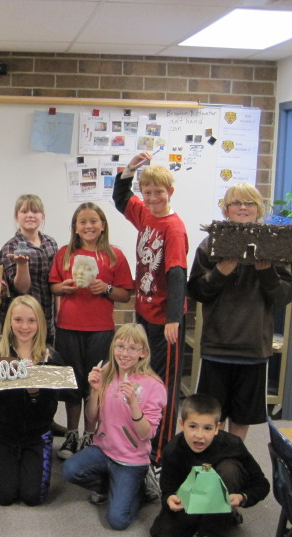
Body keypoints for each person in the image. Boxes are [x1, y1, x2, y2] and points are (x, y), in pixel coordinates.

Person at [187, 183, 292, 441]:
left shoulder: (273, 244)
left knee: (243, 414)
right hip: (218, 345)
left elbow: (284, 295)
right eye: (236, 203)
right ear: (226, 209)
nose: (243, 208)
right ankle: (213, 458)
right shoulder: (211, 243)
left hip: (253, 347)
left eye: (249, 203)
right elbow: (197, 291)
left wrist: (266, 271)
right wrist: (221, 271)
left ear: (258, 208)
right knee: (211, 414)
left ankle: (234, 455)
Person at [113, 151, 189, 463]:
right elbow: (120, 198)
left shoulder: (173, 227)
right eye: (148, 192)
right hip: (144, 312)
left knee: (163, 384)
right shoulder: (145, 213)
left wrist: (173, 319)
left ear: (170, 192)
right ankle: (143, 439)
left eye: (159, 192)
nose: (153, 197)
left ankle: (161, 453)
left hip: (165, 320)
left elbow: (177, 273)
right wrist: (131, 168)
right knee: (144, 379)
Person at [48, 202, 133, 459]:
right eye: (82, 222)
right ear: (75, 227)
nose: (88, 226)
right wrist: (64, 287)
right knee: (71, 384)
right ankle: (72, 433)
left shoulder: (115, 256)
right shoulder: (64, 254)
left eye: (93, 221)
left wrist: (106, 289)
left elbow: (125, 294)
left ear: (103, 225)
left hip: (100, 330)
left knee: (94, 384)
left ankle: (90, 434)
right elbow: (53, 286)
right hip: (68, 328)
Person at [62, 323, 166, 530]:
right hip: (104, 450)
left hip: (131, 459)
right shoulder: (107, 373)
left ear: (143, 353)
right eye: (120, 346)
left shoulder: (154, 386)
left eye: (132, 348)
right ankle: (113, 486)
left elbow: (147, 434)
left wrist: (133, 404)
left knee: (118, 521)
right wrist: (95, 391)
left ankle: (139, 487)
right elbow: (91, 417)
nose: (124, 353)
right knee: (69, 470)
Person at [149, 393, 270, 537]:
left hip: (223, 482)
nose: (199, 435)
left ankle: (215, 530)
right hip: (193, 495)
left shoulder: (232, 444)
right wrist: (170, 499)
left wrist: (242, 497)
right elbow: (167, 490)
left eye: (207, 428)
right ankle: (226, 517)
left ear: (217, 428)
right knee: (166, 534)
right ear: (182, 425)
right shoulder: (172, 450)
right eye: (193, 426)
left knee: (230, 469)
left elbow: (261, 484)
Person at [0, 295, 62, 506]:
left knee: (32, 496)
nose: (24, 327)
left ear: (40, 323)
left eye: (31, 320)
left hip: (37, 434)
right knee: (3, 495)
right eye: (18, 320)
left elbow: (50, 409)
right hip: (5, 432)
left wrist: (35, 392)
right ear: (9, 321)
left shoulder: (51, 358)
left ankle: (30, 460)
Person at [0, 194, 58, 343]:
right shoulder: (10, 247)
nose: (30, 215)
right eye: (24, 211)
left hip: (47, 316)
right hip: (20, 321)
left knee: (46, 356)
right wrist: (22, 265)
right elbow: (21, 288)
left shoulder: (51, 243)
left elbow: (55, 282)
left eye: (35, 211)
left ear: (42, 216)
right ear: (16, 216)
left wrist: (58, 314)